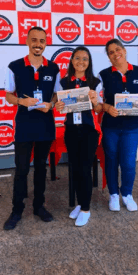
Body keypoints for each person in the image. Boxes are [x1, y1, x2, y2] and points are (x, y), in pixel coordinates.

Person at [3, 27, 60, 230]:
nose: (38, 44)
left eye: (42, 41)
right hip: (25, 125)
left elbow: (56, 95)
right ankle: (16, 210)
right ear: (27, 41)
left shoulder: (54, 68)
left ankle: (39, 206)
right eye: (34, 40)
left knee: (40, 168)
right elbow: (8, 95)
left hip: (45, 124)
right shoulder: (15, 66)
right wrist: (21, 101)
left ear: (46, 43)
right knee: (21, 169)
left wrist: (51, 105)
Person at [98, 38, 138, 212]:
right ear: (108, 57)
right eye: (111, 52)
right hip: (111, 126)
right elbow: (97, 103)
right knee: (112, 160)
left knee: (129, 162)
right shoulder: (103, 74)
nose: (115, 54)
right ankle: (114, 194)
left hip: (132, 127)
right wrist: (107, 107)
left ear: (124, 50)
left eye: (117, 50)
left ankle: (127, 194)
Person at [55, 46, 102, 227]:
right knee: (74, 169)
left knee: (84, 169)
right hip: (71, 130)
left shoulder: (95, 82)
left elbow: (99, 109)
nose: (81, 62)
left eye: (85, 59)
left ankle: (86, 209)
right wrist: (58, 107)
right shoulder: (64, 82)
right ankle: (80, 203)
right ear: (72, 60)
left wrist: (95, 101)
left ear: (89, 62)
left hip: (89, 131)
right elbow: (59, 105)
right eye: (77, 58)